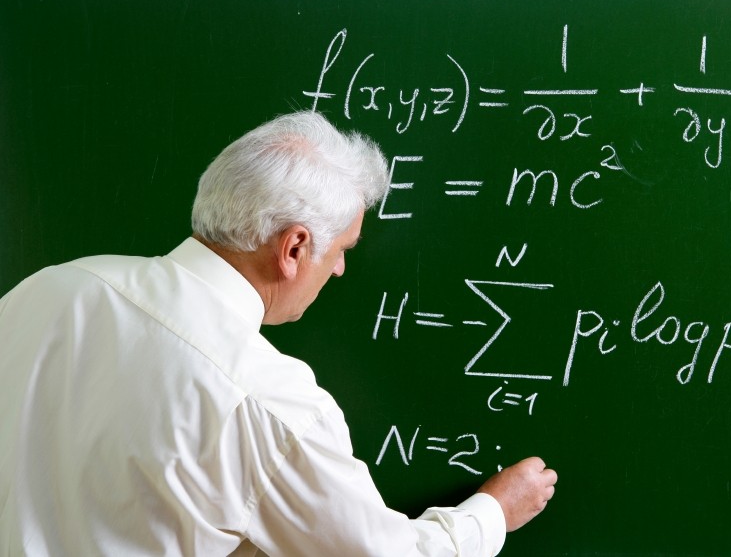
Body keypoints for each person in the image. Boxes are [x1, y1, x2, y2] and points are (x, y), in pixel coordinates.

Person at [0, 111, 557, 556]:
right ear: (293, 248)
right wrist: (492, 513)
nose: (339, 270)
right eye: (341, 250)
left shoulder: (52, 287)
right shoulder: (266, 403)